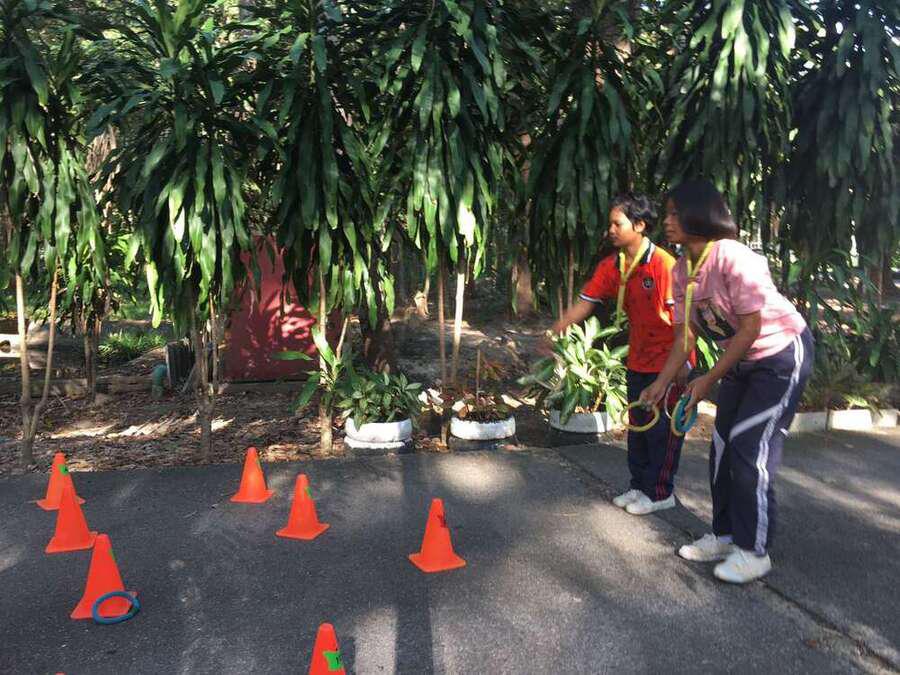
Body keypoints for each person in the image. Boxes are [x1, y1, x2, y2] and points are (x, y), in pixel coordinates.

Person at [640, 179, 813, 584]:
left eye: (674, 213)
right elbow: (685, 336)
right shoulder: (682, 270)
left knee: (749, 449)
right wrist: (661, 383)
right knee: (721, 447)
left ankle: (754, 552)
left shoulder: (733, 257)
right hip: (740, 360)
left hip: (780, 355)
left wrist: (707, 379)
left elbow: (750, 329)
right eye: (667, 214)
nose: (667, 221)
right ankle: (725, 535)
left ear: (699, 213)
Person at [548, 193, 688, 516]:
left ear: (639, 225)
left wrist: (683, 363)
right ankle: (639, 486)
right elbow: (586, 302)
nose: (610, 230)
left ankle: (661, 492)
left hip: (669, 362)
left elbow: (684, 324)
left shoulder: (664, 265)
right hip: (638, 358)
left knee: (662, 431)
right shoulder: (614, 265)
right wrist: (555, 330)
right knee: (638, 428)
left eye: (617, 224)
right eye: (610, 224)